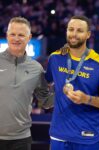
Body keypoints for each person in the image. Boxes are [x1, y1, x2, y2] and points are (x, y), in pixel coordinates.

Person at [45, 15, 99, 150]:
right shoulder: (55, 58)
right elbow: (46, 83)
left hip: (88, 137)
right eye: (71, 29)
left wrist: (87, 99)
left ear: (88, 35)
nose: (74, 34)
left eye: (79, 30)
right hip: (59, 136)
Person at [0, 17, 52, 150]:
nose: (16, 38)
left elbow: (46, 101)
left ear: (29, 37)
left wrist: (64, 88)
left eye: (21, 35)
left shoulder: (36, 68)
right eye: (12, 34)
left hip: (21, 140)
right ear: (7, 36)